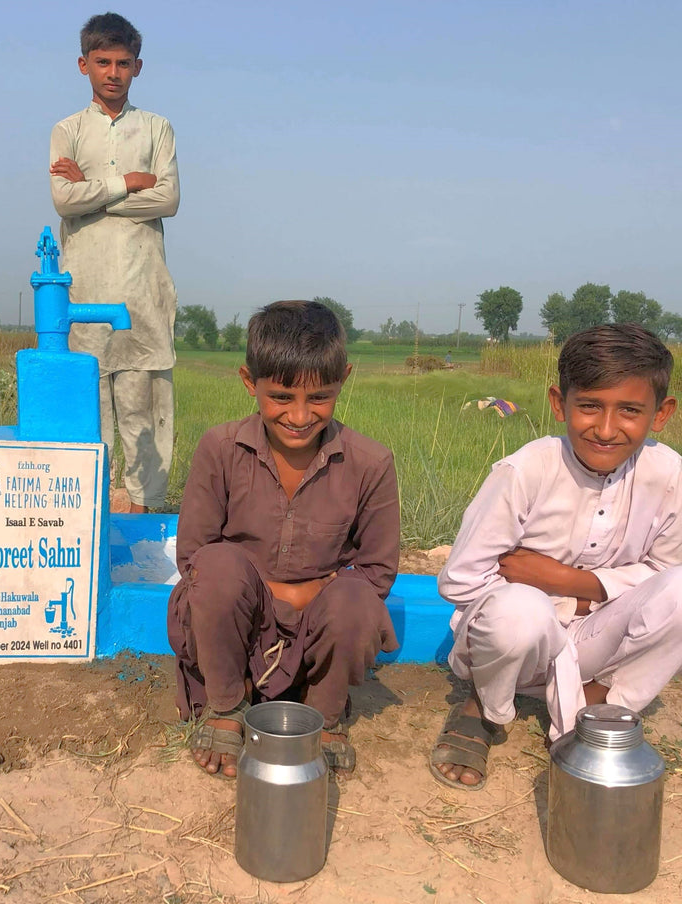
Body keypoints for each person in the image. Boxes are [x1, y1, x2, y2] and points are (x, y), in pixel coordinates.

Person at [433, 323, 682, 789]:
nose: (606, 429)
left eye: (630, 410)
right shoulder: (525, 470)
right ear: (558, 403)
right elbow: (460, 580)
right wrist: (543, 603)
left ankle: (601, 702)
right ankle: (486, 707)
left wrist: (573, 585)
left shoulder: (670, 476)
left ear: (661, 413)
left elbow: (666, 573)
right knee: (521, 610)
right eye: (589, 406)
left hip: (595, 640)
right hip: (511, 646)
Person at [168, 300, 400, 778]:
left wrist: (311, 594)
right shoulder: (220, 448)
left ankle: (325, 713)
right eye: (280, 397)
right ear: (249, 382)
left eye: (319, 398)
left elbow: (377, 571)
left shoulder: (370, 463)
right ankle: (228, 705)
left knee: (356, 600)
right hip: (235, 621)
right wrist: (281, 593)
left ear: (344, 380)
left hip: (317, 625)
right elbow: (194, 556)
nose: (299, 416)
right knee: (216, 571)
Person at [49, 12, 180, 513]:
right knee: (90, 407)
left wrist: (93, 189)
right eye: (102, 62)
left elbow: (167, 200)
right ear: (83, 65)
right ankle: (87, 514)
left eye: (123, 63)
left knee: (145, 406)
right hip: (84, 289)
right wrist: (128, 182)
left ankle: (148, 510)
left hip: (143, 287)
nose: (113, 72)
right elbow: (64, 200)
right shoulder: (66, 130)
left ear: (138, 67)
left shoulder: (157, 128)